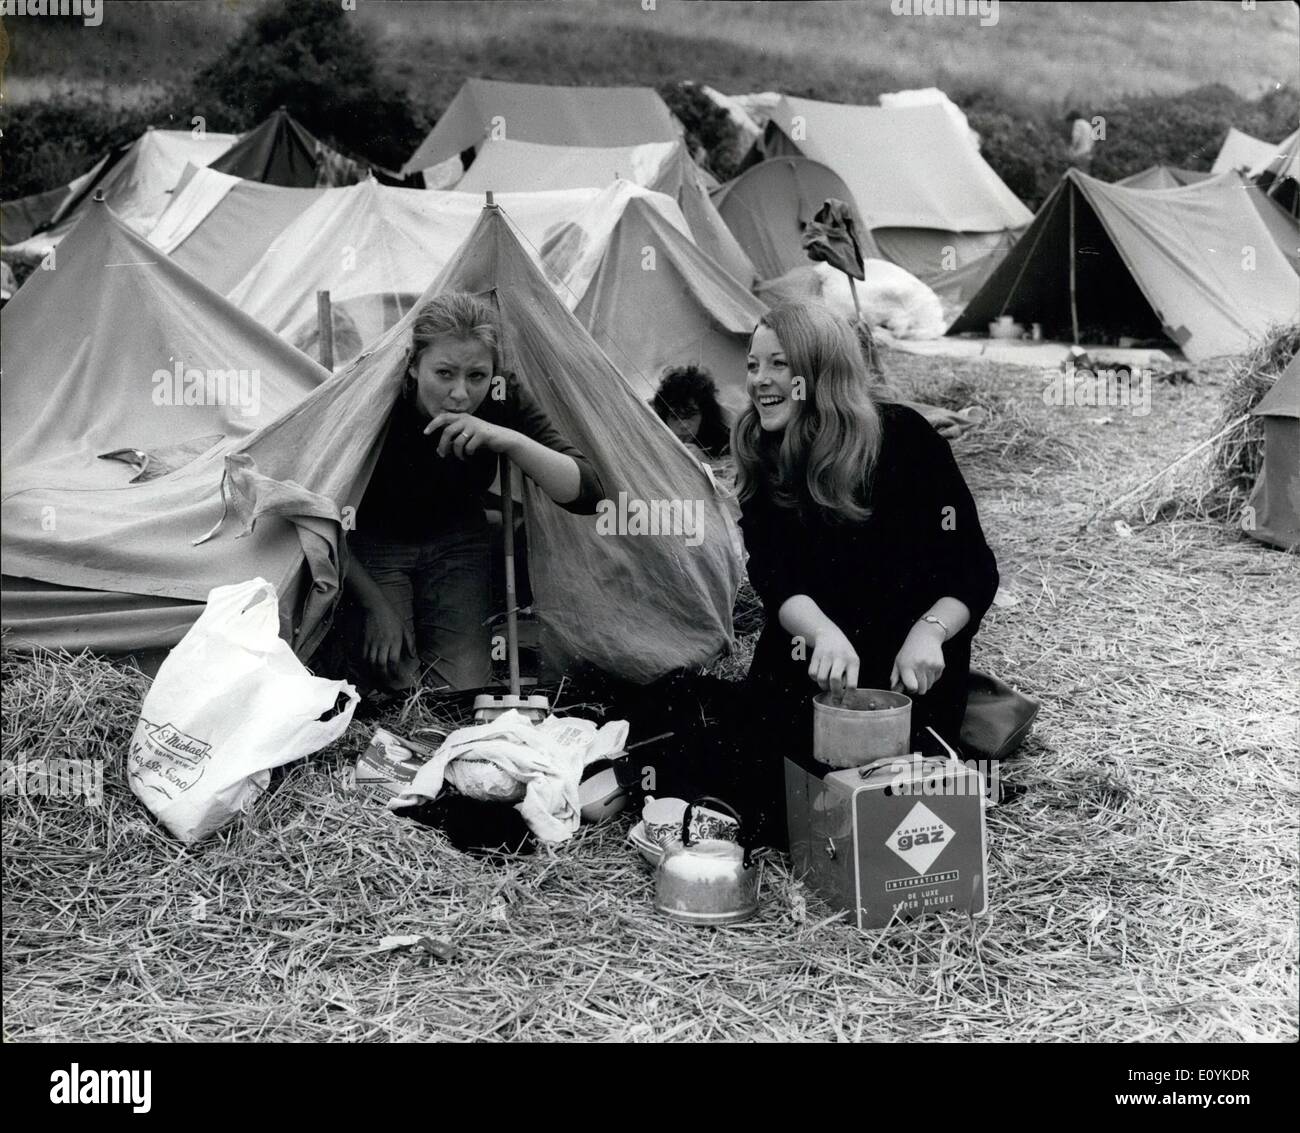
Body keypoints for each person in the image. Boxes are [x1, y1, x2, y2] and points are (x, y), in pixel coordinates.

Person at [734, 302, 999, 796]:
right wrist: (822, 634)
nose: (759, 380)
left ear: (819, 372)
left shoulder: (905, 439)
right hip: (814, 662)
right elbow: (774, 574)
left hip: (909, 672)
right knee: (772, 785)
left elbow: (973, 569)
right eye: (753, 364)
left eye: (779, 364)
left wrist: (931, 632)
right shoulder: (761, 451)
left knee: (902, 792)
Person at [339, 292, 604, 694]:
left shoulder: (500, 396)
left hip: (457, 541)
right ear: (412, 365)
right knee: (393, 683)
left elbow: (586, 493)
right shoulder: (377, 396)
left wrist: (508, 439)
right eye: (444, 373)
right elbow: (314, 510)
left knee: (458, 693)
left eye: (476, 376)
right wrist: (375, 606)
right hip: (376, 544)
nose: (461, 394)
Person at [651, 364, 732, 458]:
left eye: (691, 415)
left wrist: (708, 464)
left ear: (704, 414)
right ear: (664, 417)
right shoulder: (652, 430)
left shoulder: (724, 437)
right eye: (675, 417)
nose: (684, 425)